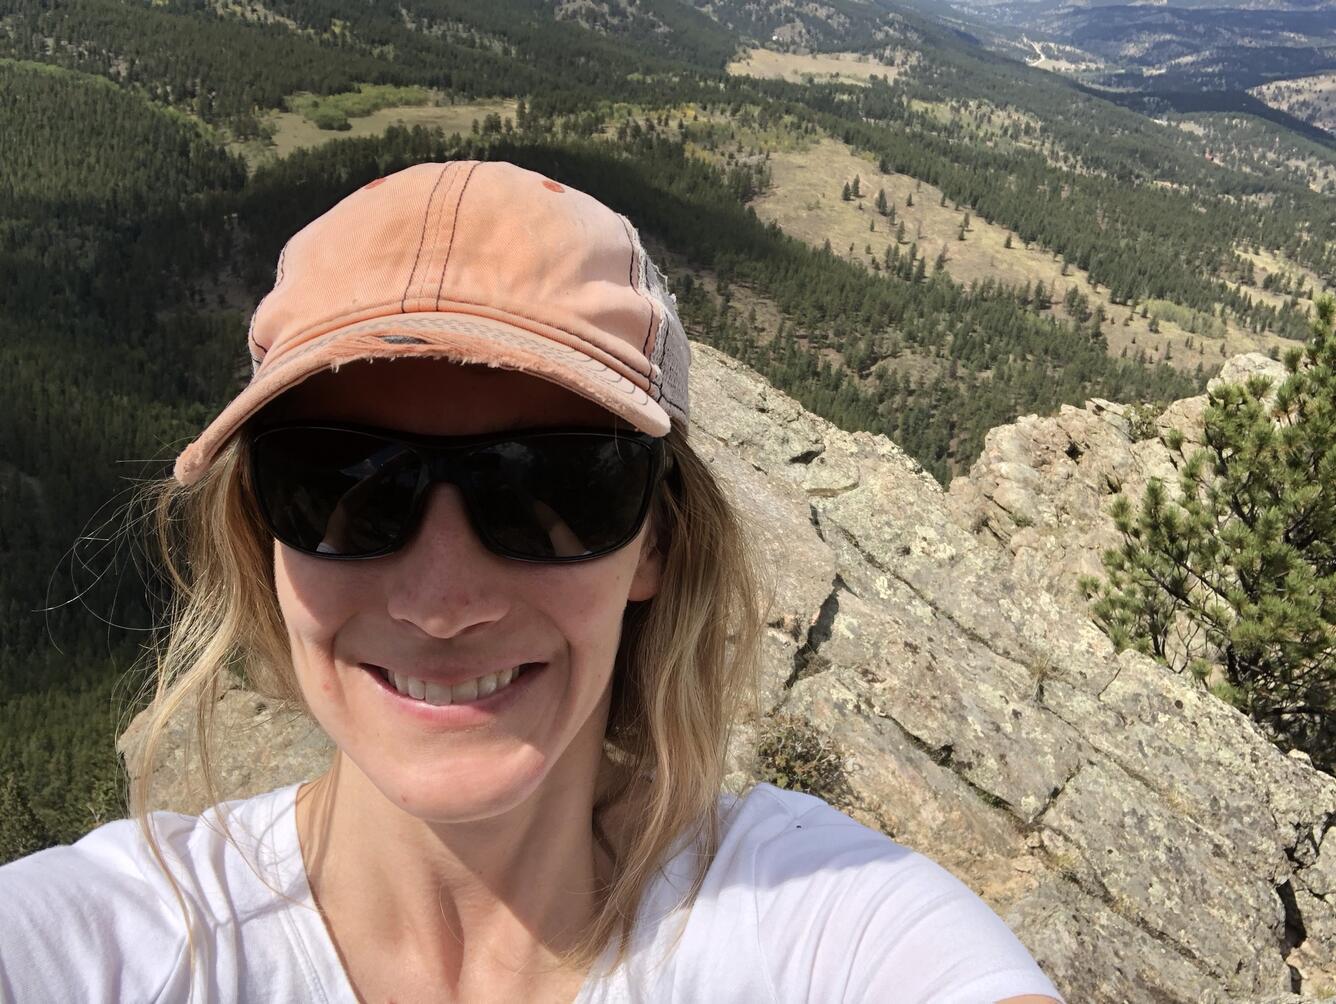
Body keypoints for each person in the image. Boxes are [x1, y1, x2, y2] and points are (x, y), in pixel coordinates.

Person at [0, 160, 1065, 1003]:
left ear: (655, 537)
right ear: (261, 536)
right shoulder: (99, 943)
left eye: (551, 487)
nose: (441, 594)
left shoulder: (824, 920)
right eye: (339, 486)